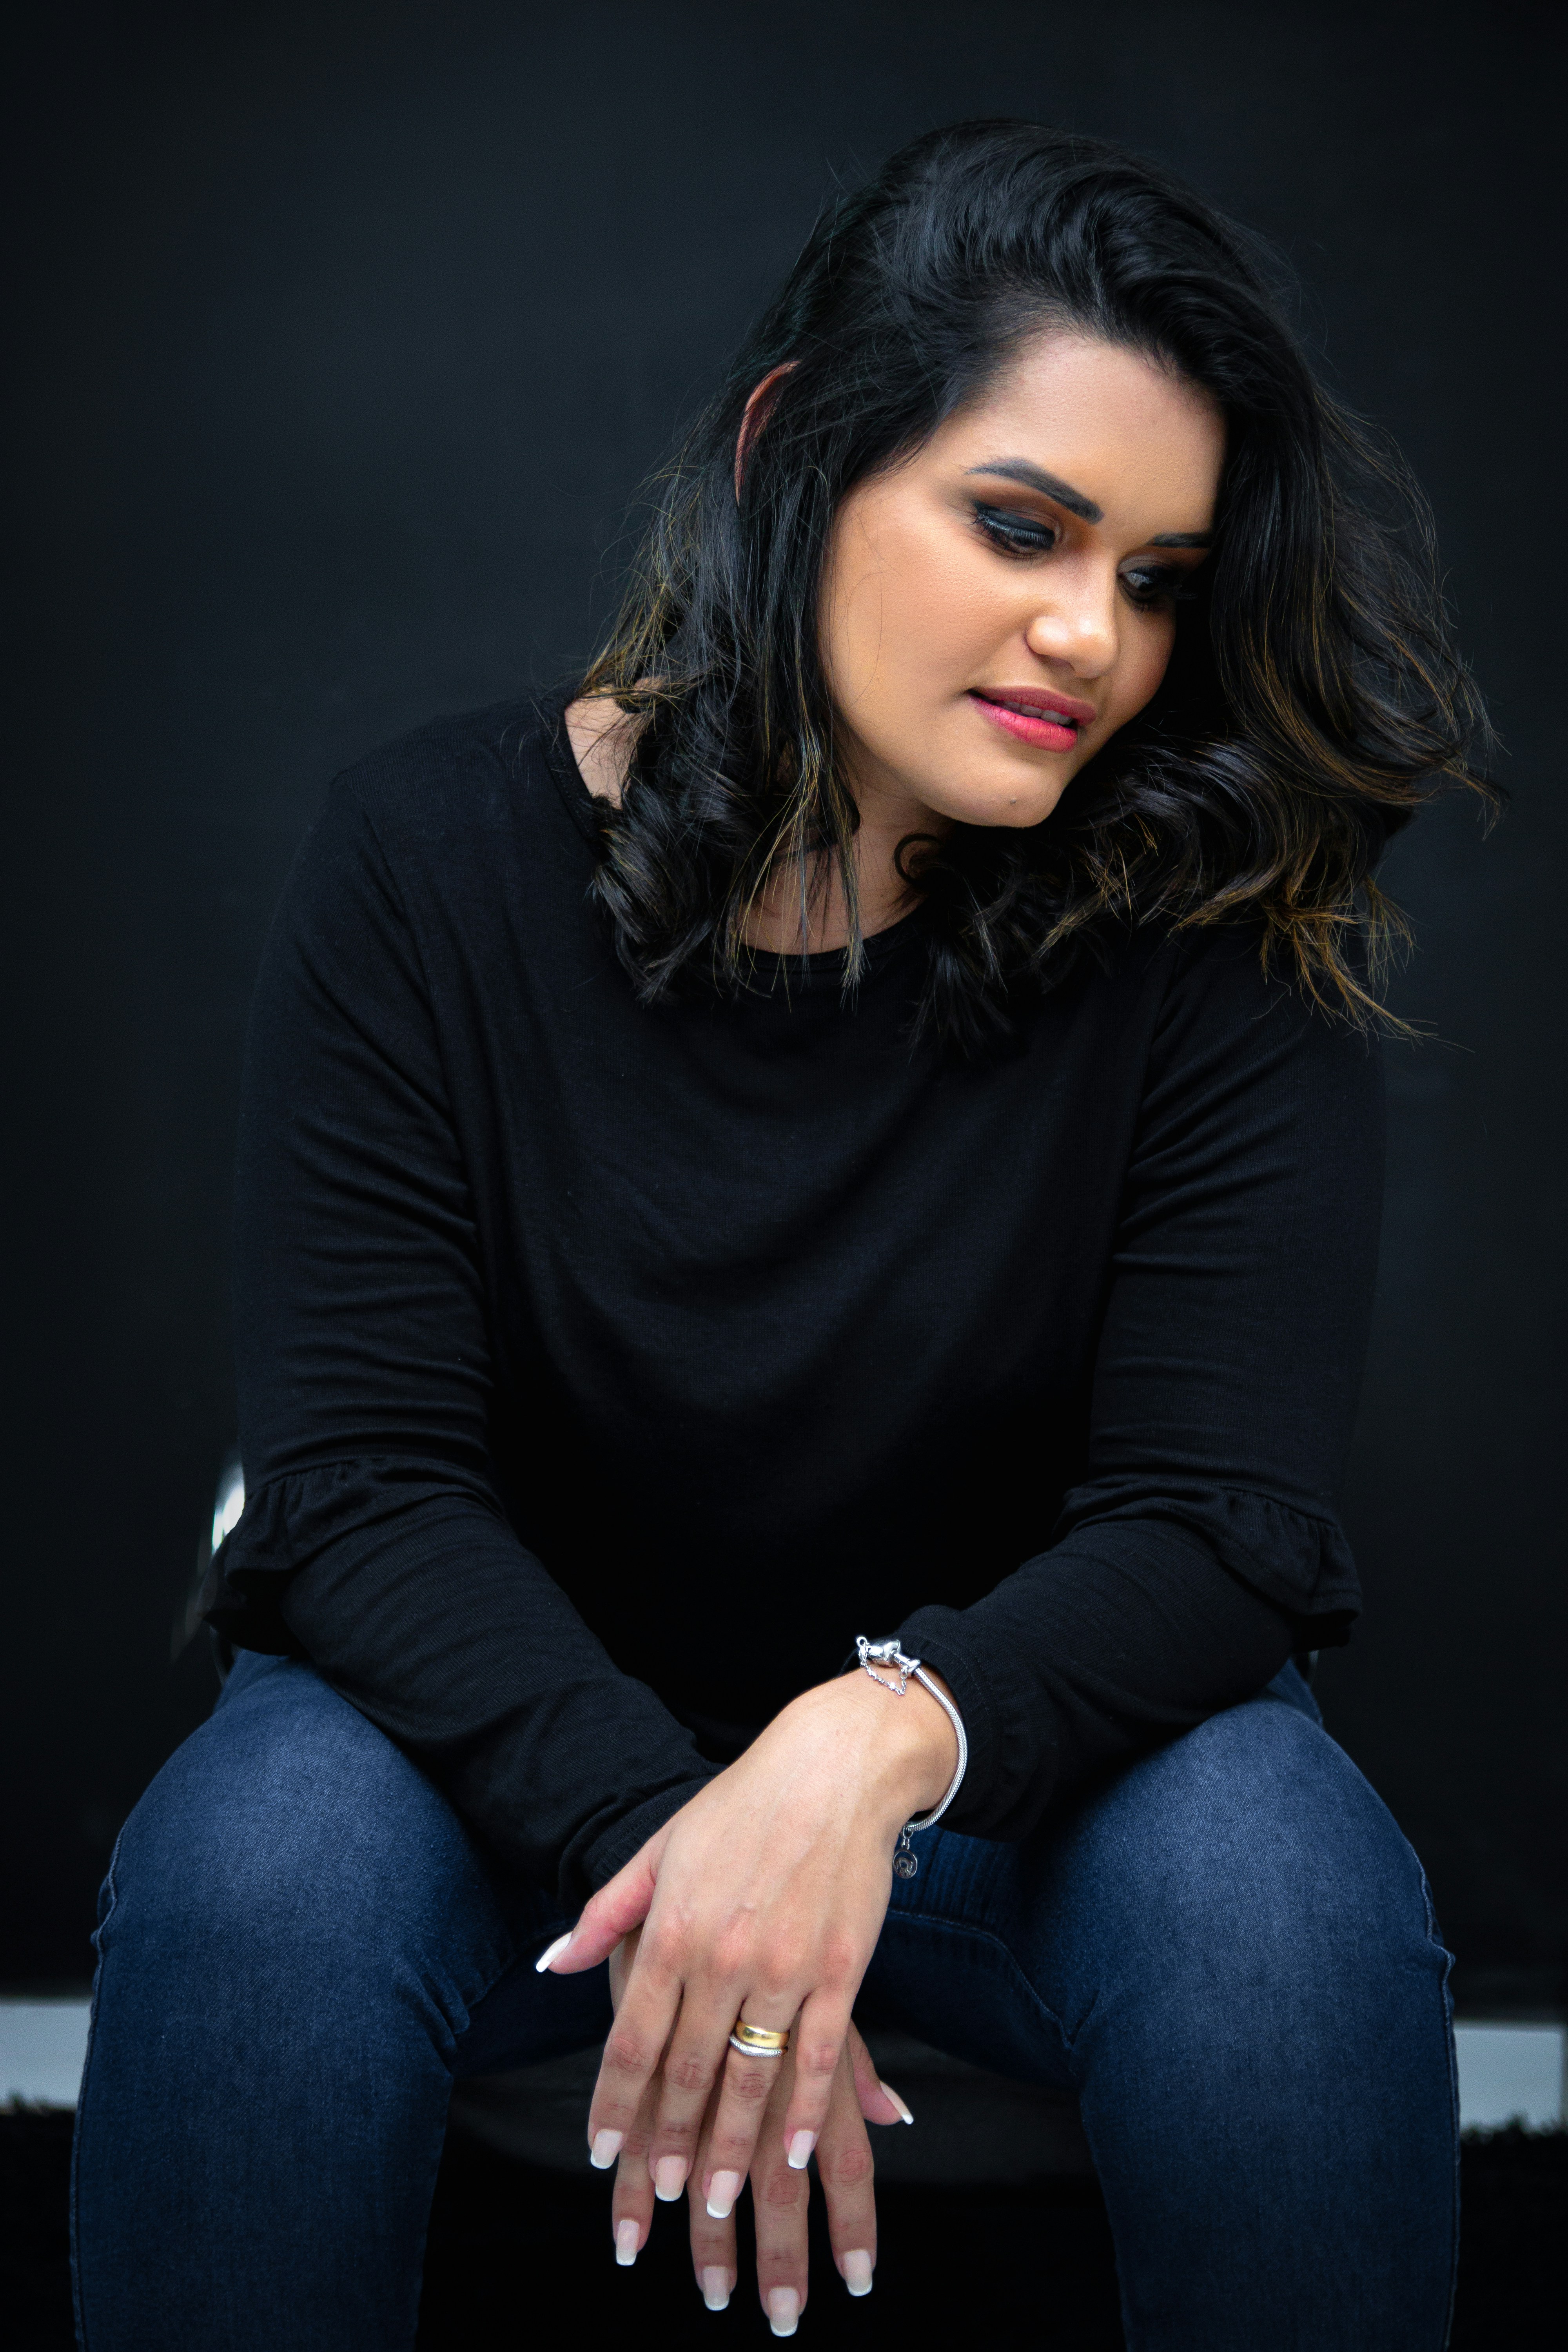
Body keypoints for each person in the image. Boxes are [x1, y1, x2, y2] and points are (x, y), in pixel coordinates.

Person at [70, 121, 1489, 2349]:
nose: (1089, 635)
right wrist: (695, 1843)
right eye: (1022, 527)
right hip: (499, 1772)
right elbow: (354, 1493)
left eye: (1159, 577)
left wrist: (866, 1741)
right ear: (792, 456)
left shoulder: (1222, 922)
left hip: (1023, 1783)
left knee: (1279, 1901)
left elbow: (1222, 1528)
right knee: (257, 1869)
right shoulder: (430, 863)